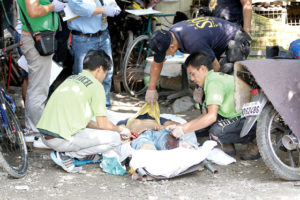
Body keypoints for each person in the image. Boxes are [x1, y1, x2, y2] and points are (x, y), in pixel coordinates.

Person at [36, 50, 132, 173]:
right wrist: (121, 130)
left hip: (45, 137)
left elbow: (86, 122)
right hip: (59, 140)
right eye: (105, 72)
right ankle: (68, 155)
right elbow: (103, 123)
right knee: (116, 138)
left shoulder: (71, 79)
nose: (104, 77)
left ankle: (74, 153)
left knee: (104, 131)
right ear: (99, 69)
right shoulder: (96, 87)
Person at [165, 51, 260, 160]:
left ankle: (255, 139)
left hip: (251, 119)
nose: (191, 79)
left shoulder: (213, 83)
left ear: (202, 69)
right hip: (235, 115)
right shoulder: (210, 80)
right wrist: (182, 127)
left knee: (215, 132)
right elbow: (205, 115)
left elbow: (211, 117)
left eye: (193, 74)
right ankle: (227, 145)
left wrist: (183, 130)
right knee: (200, 129)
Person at [146, 16, 252, 106]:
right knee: (209, 85)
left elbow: (215, 67)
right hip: (218, 43)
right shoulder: (172, 33)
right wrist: (151, 89)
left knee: (223, 79)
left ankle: (231, 119)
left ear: (172, 47)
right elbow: (157, 63)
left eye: (165, 54)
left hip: (238, 39)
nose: (165, 57)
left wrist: (200, 88)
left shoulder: (194, 42)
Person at [16, 0, 66, 140]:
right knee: (38, 89)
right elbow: (33, 11)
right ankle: (36, 133)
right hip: (36, 39)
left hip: (39, 37)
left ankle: (32, 129)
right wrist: (52, 7)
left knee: (36, 86)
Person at [68, 0, 121, 108]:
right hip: (83, 38)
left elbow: (109, 2)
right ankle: (82, 109)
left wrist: (114, 6)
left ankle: (103, 107)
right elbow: (78, 8)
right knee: (83, 76)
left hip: (103, 35)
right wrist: (104, 9)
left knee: (107, 72)